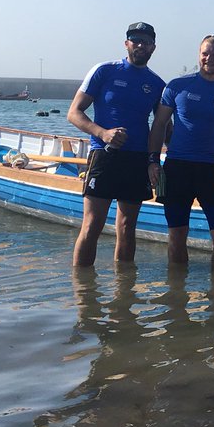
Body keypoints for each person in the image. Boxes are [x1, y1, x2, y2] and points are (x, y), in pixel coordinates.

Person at [67, 22, 166, 267]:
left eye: (146, 41)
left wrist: (156, 160)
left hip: (137, 160)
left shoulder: (157, 84)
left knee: (127, 226)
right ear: (126, 44)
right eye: (135, 40)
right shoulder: (104, 71)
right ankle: (82, 287)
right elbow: (74, 113)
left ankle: (124, 288)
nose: (140, 45)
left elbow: (164, 127)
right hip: (104, 155)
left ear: (153, 47)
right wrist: (103, 133)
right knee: (92, 225)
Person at [146, 35, 214, 266]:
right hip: (176, 168)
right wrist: (152, 161)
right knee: (177, 234)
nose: (209, 58)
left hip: (211, 170)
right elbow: (159, 125)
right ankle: (176, 287)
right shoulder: (177, 86)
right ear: (199, 55)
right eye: (205, 54)